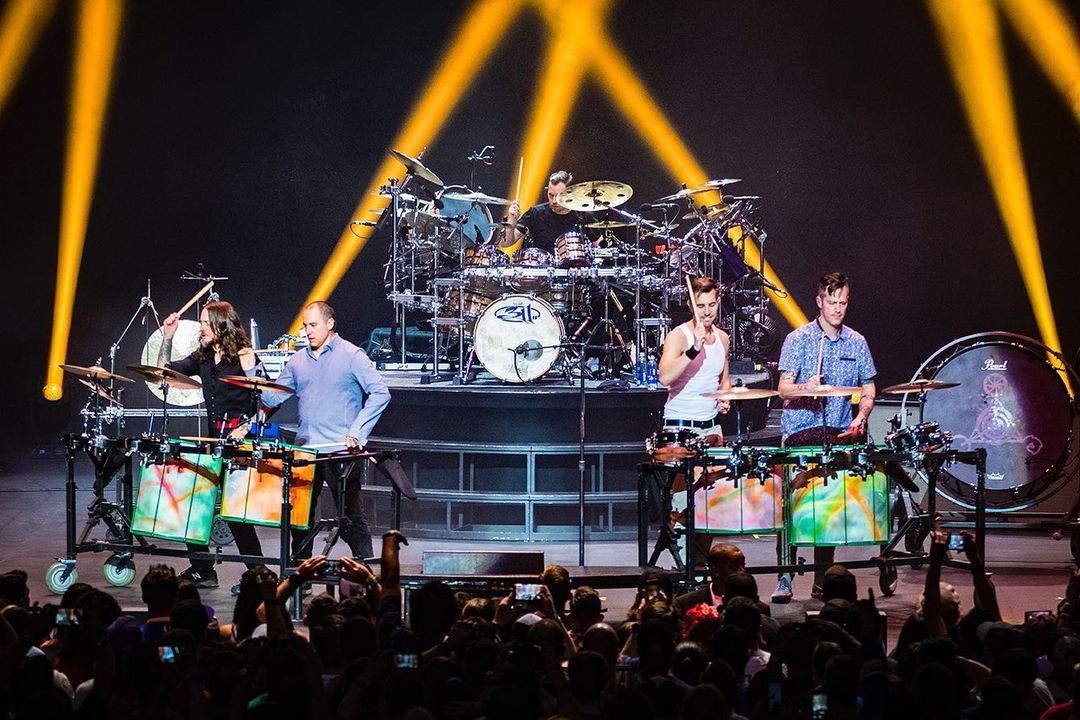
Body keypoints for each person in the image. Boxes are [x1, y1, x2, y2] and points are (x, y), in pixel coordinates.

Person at [771, 272, 877, 602]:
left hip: (837, 433)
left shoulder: (857, 342)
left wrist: (862, 415)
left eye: (843, 302)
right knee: (793, 509)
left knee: (827, 511)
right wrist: (806, 387)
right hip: (801, 433)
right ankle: (785, 577)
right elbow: (783, 389)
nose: (838, 308)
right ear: (819, 302)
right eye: (832, 302)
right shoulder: (798, 339)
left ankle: (821, 580)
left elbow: (869, 387)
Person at [260, 301, 391, 560]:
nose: (308, 331)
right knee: (300, 516)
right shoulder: (298, 361)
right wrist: (252, 368)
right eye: (305, 326)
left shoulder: (351, 355)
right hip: (305, 451)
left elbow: (380, 393)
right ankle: (300, 570)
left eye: (313, 325)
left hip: (339, 451)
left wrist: (358, 431)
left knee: (351, 514)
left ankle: (364, 568)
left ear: (330, 323)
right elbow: (272, 398)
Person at [160, 300, 265, 588]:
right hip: (211, 444)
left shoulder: (244, 356)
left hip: (239, 447)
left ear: (222, 325)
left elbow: (268, 400)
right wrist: (167, 337)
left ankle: (258, 574)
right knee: (191, 506)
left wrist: (246, 427)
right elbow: (166, 370)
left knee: (237, 517)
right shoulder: (203, 357)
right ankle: (203, 569)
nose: (201, 328)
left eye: (206, 323)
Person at [656, 276, 732, 566]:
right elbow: (665, 377)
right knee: (682, 504)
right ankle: (682, 567)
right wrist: (693, 349)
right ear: (690, 305)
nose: (707, 311)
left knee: (711, 503)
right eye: (701, 306)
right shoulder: (679, 336)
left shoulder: (723, 338)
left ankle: (698, 566)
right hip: (681, 428)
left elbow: (723, 379)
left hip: (711, 428)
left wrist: (725, 397)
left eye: (711, 305)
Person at [504, 169, 583, 254]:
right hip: (540, 261)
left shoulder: (582, 216)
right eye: (551, 195)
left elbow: (594, 249)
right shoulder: (535, 213)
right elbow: (506, 243)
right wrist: (511, 220)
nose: (554, 201)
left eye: (558, 196)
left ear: (570, 194)